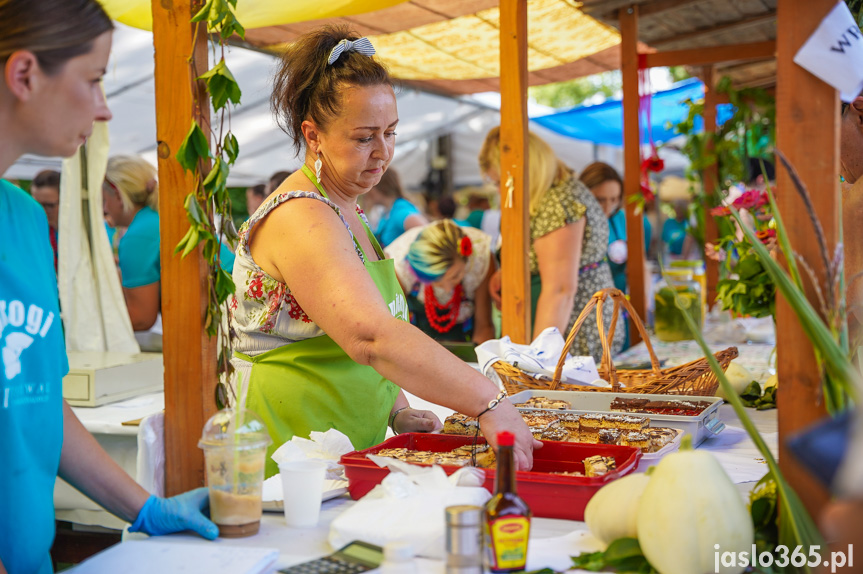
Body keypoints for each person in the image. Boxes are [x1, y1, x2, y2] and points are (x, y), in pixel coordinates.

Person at [229, 25, 538, 479]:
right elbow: (370, 335)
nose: (383, 153)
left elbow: (356, 323)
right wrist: (488, 402)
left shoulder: (348, 209)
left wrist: (397, 408)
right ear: (313, 135)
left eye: (390, 133)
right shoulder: (302, 216)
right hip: (290, 455)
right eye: (363, 137)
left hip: (345, 445)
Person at [0, 2, 218, 572]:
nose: (102, 110)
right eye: (94, 81)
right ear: (24, 74)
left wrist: (144, 507)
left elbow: (38, 400)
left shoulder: (23, 220)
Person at [479, 127, 624, 362]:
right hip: (568, 328)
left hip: (572, 332)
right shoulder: (557, 192)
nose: (499, 190)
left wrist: (537, 363)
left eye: (500, 182)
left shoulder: (557, 200)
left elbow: (560, 290)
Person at [384, 220, 495, 343]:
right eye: (436, 282)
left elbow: (484, 327)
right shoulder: (399, 265)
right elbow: (392, 330)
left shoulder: (480, 261)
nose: (447, 289)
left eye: (455, 276)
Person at [102, 155, 162, 351]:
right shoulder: (156, 218)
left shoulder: (137, 235)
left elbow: (141, 319)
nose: (103, 208)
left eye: (104, 199)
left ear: (118, 195)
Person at [579, 162, 652, 294]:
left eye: (614, 199)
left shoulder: (621, 219)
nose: (607, 208)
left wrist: (642, 301)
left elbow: (640, 264)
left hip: (618, 303)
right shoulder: (575, 225)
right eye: (600, 200)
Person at [364, 167, 427, 247]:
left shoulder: (400, 211)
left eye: (370, 185)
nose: (366, 191)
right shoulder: (388, 211)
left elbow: (427, 234)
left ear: (379, 186)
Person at [30, 169, 62, 272]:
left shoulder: (81, 233)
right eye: (36, 205)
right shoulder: (29, 231)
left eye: (49, 205)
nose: (41, 211)